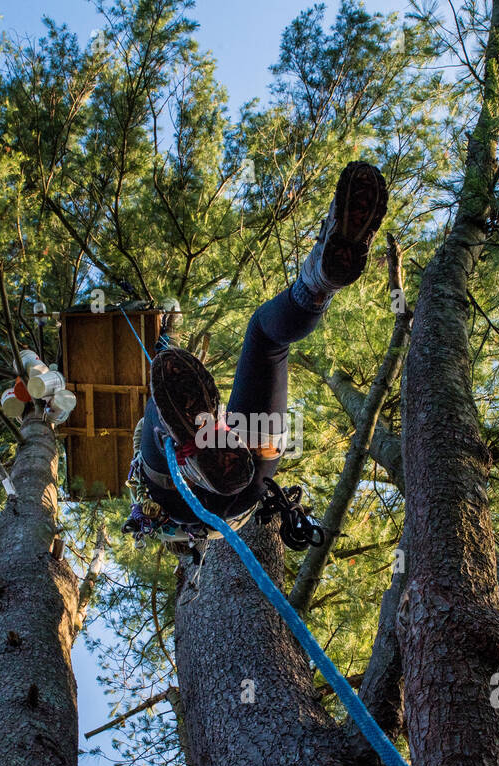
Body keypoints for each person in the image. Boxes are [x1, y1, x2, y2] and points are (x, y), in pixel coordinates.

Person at [124, 160, 389, 547]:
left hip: (218, 483)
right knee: (262, 336)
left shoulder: (169, 524)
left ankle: (320, 280)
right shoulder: (187, 529)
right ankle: (315, 282)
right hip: (245, 480)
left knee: (162, 400)